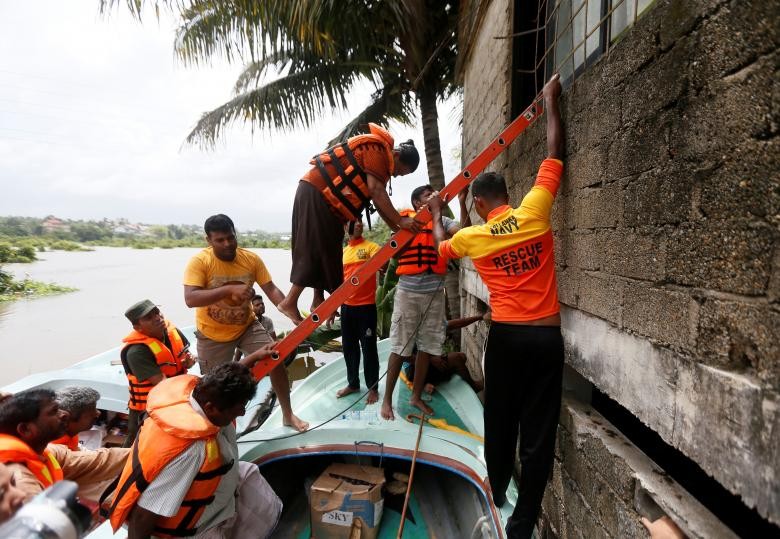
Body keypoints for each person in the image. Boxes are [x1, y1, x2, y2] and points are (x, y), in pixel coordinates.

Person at [428, 74, 564, 539]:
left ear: (482, 202)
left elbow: (441, 248)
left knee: (500, 419)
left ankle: (498, 490)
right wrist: (549, 101)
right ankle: (523, 523)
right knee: (539, 432)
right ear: (507, 195)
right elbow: (554, 154)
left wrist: (435, 217)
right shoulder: (534, 211)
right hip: (547, 338)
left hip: (507, 338)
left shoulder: (474, 236)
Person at [109, 352, 283, 539]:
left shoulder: (199, 391)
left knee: (250, 473)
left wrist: (254, 356)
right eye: (237, 408)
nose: (241, 413)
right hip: (202, 527)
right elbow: (143, 516)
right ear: (210, 408)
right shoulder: (191, 450)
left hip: (221, 493)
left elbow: (222, 379)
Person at [277, 124, 422, 322]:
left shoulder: (381, 163)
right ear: (396, 155)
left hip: (328, 204)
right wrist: (400, 221)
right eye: (400, 171)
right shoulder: (377, 152)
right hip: (317, 192)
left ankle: (317, 299)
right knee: (313, 248)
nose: (396, 175)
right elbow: (377, 193)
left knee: (329, 251)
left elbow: (378, 200)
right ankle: (289, 302)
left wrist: (397, 228)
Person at [183, 214, 308, 432]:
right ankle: (209, 429)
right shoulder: (200, 262)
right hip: (212, 334)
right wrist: (229, 289)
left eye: (231, 237)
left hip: (246, 326)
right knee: (212, 387)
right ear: (208, 240)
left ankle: (288, 415)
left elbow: (271, 289)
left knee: (275, 359)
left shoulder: (250, 259)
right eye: (220, 240)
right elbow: (190, 299)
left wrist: (292, 313)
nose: (227, 244)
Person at [380, 185, 461, 420]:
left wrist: (443, 213)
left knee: (427, 346)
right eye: (428, 195)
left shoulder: (443, 221)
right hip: (408, 293)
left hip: (434, 294)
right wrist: (412, 230)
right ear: (417, 203)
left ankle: (415, 396)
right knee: (399, 347)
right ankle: (386, 400)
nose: (435, 195)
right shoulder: (403, 222)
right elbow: (394, 254)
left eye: (435, 193)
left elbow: (459, 234)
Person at [0, 389, 129, 502]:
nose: (65, 414)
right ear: (25, 429)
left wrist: (144, 452)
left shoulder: (47, 452)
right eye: (54, 411)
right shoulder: (19, 481)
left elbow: (99, 460)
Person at [120, 299, 195, 447]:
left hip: (176, 395)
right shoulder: (137, 352)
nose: (157, 318)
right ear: (137, 327)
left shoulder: (172, 332)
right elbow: (163, 385)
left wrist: (189, 362)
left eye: (157, 313)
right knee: (138, 445)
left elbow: (188, 359)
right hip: (149, 408)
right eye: (148, 317)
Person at [337, 219, 383, 403]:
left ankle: (373, 388)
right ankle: (353, 383)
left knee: (369, 349)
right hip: (347, 307)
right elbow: (339, 283)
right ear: (344, 226)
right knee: (349, 348)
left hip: (366, 307)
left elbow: (383, 264)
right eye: (353, 222)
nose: (359, 224)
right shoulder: (343, 252)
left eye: (360, 221)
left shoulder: (372, 247)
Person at [404, 313, 490, 394]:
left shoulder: (429, 324)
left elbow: (455, 324)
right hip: (413, 370)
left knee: (462, 356)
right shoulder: (409, 329)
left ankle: (432, 379)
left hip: (425, 361)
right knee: (457, 359)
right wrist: (431, 359)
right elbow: (404, 356)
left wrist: (480, 317)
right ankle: (474, 387)